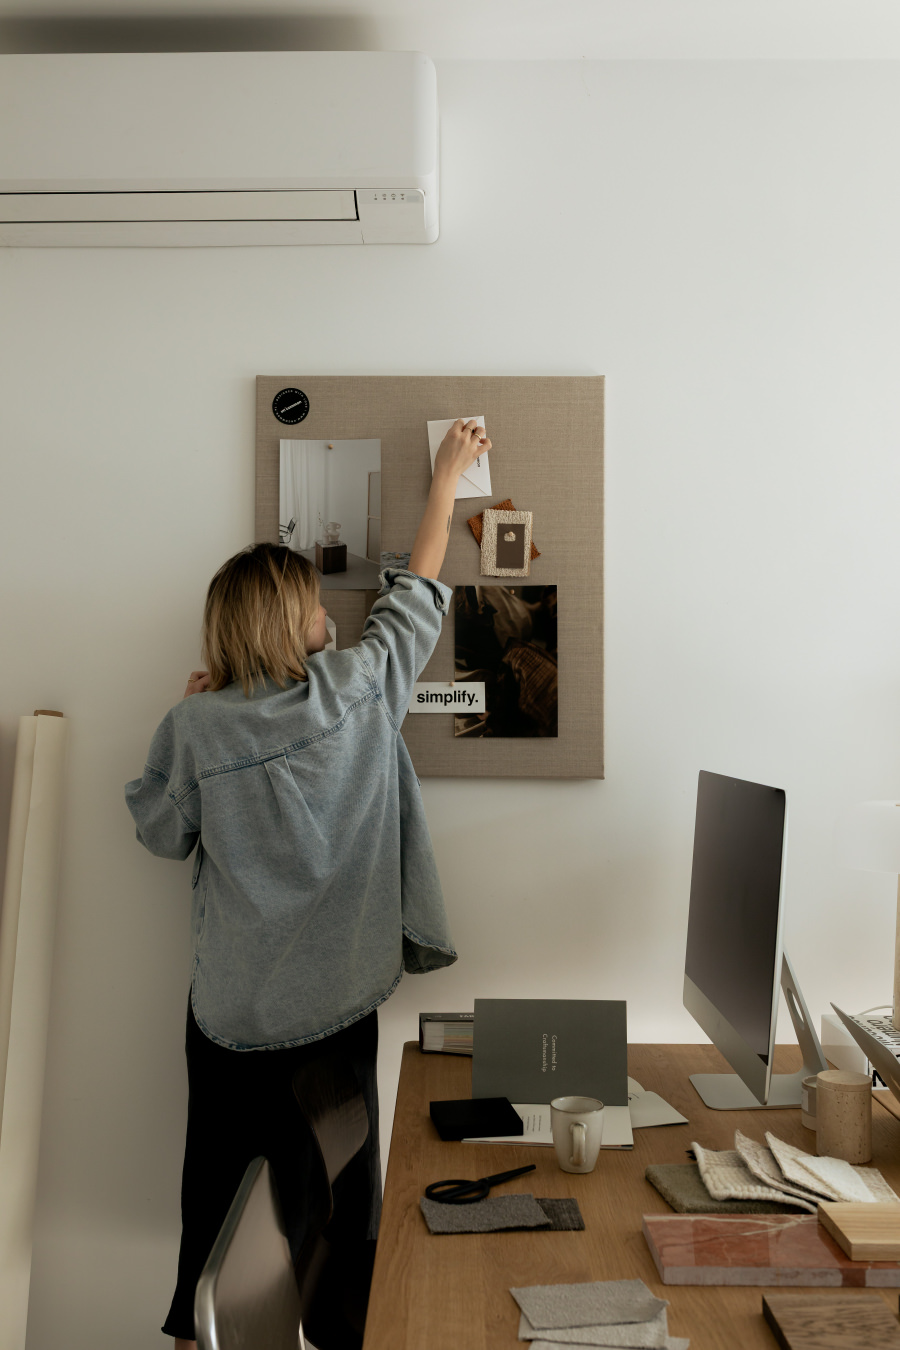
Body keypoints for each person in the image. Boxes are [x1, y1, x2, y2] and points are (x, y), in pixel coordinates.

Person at [124, 419, 491, 1349]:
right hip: (334, 1011)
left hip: (231, 1024)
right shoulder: (360, 688)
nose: (334, 615)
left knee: (217, 1228)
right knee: (340, 1214)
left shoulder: (196, 729)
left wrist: (191, 710)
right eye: (319, 605)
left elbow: (162, 833)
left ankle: (198, 1335)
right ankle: (339, 1334)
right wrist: (446, 478)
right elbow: (420, 590)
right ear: (293, 622)